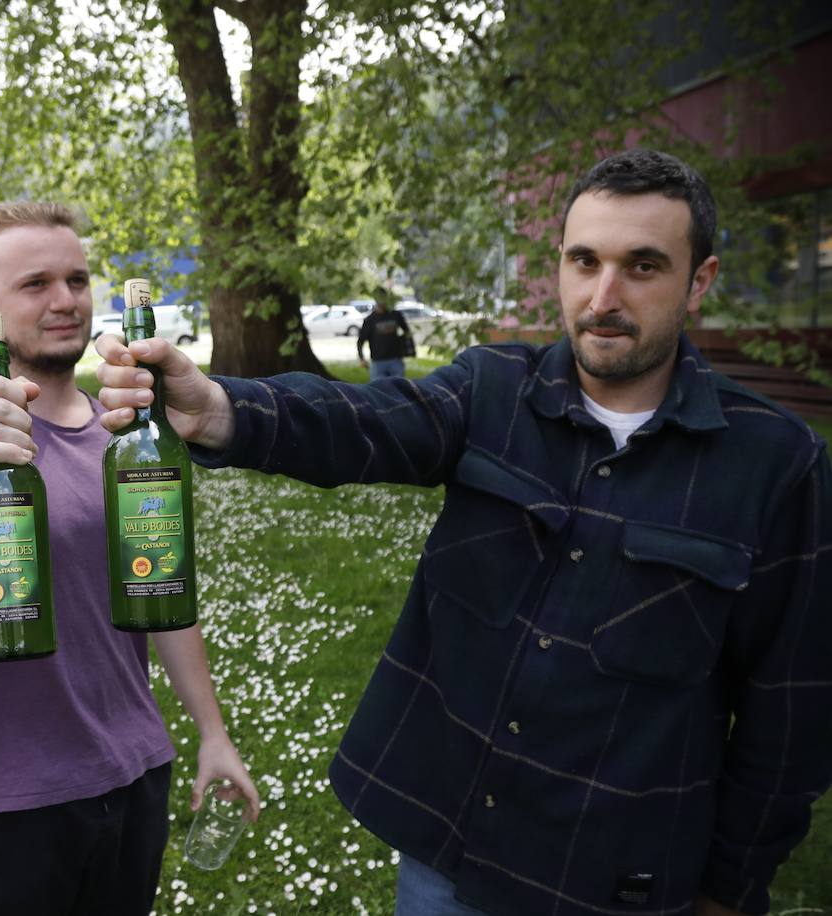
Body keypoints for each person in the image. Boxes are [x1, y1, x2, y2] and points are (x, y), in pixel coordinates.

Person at [95, 149, 832, 916]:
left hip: (617, 874)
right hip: (450, 858)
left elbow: (790, 721)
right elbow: (368, 424)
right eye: (585, 261)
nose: (603, 295)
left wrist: (730, 889)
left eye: (642, 266)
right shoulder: (493, 390)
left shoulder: (776, 465)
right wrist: (216, 410)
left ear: (699, 279)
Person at [0, 201, 260, 915]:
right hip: (5, 794)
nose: (64, 301)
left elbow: (163, 596)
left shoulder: (125, 438)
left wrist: (213, 734)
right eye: (36, 284)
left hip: (133, 772)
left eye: (78, 280)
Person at [356, 289, 414, 380]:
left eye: (383, 297)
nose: (381, 301)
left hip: (396, 360)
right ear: (375, 299)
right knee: (377, 391)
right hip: (377, 362)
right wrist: (362, 358)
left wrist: (404, 346)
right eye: (378, 298)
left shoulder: (395, 315)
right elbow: (361, 341)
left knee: (399, 390)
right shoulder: (369, 320)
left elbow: (407, 332)